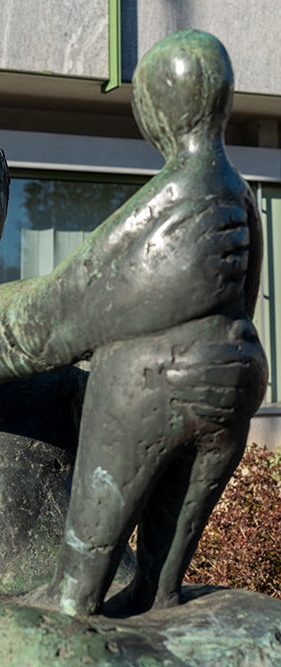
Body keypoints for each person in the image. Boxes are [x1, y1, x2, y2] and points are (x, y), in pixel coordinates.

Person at [0, 91, 265, 662]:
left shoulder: (62, 358)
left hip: (94, 589)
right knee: (65, 655)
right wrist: (115, 287)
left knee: (261, 628)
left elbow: (138, 430)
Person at [26, 30, 268, 617]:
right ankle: (154, 592)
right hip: (235, 374)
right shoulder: (242, 196)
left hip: (153, 379)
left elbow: (85, 292)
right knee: (163, 572)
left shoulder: (164, 196)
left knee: (89, 551)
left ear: (157, 108)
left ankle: (72, 596)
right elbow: (249, 289)